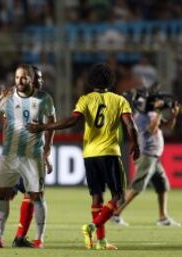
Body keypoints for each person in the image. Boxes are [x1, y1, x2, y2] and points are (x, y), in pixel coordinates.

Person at [27, 63, 140, 250]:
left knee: (97, 197)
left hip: (90, 154)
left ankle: (101, 242)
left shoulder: (85, 100)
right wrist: (135, 143)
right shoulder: (119, 100)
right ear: (111, 81)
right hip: (110, 153)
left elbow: (72, 121)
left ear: (91, 81)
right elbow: (130, 125)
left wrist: (44, 127)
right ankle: (93, 227)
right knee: (118, 197)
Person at [0, 66, 54, 249]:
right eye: (18, 77)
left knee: (31, 194)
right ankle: (4, 235)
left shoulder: (43, 99)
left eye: (24, 77)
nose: (40, 82)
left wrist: (46, 151)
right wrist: (2, 97)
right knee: (6, 193)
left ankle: (29, 237)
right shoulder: (10, 97)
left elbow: (51, 123)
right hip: (11, 155)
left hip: (32, 154)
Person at [111, 98, 181, 227]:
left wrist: (173, 115)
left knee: (162, 186)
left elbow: (167, 128)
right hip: (147, 155)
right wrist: (159, 112)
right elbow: (151, 130)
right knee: (136, 187)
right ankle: (115, 214)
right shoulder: (140, 117)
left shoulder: (152, 114)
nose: (154, 103)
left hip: (154, 156)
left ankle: (162, 217)